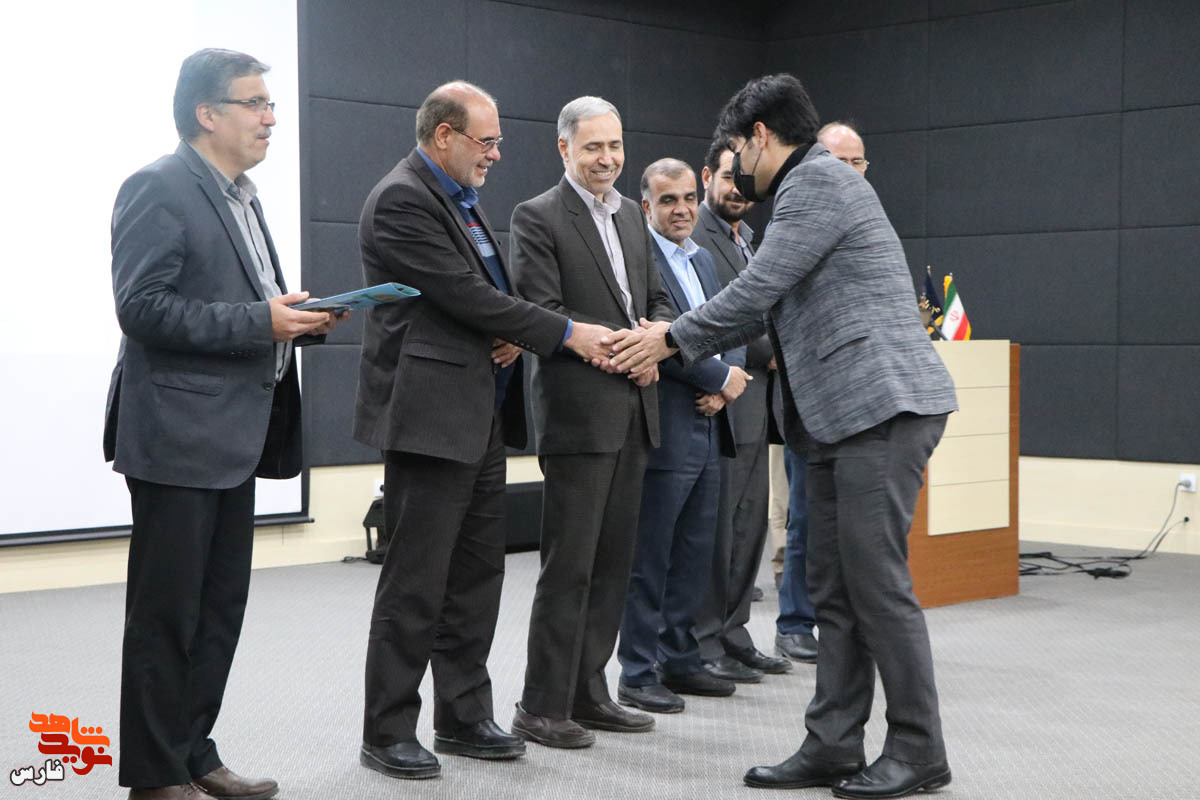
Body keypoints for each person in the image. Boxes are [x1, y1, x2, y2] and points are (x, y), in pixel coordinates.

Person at [604, 73, 958, 800]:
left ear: (760, 137)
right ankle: (833, 743)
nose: (734, 168)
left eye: (736, 151)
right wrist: (679, 340)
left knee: (875, 584)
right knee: (832, 587)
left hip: (879, 408)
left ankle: (919, 749)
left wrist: (668, 339)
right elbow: (765, 306)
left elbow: (756, 292)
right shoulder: (810, 190)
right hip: (836, 419)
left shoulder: (816, 182)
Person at [353, 81, 613, 779]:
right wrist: (562, 332)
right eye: (487, 140)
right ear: (444, 135)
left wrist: (510, 332)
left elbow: (487, 299)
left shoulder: (461, 198)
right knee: (416, 581)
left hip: (479, 413)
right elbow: (462, 294)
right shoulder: (403, 198)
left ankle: (464, 715)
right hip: (430, 417)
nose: (496, 154)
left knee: (475, 576)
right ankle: (387, 730)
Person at [106, 48, 340, 800]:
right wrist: (259, 321)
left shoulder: (244, 195)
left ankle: (193, 754)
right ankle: (153, 776)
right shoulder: (158, 186)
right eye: (255, 103)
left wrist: (296, 319)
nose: (271, 117)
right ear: (207, 113)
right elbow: (141, 308)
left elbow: (246, 301)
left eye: (271, 103)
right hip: (177, 437)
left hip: (235, 434)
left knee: (217, 613)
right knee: (166, 616)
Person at [508, 96, 675, 748]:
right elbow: (541, 313)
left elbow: (656, 298)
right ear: (564, 149)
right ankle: (541, 705)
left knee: (612, 566)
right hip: (579, 416)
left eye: (615, 145)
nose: (607, 159)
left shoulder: (633, 215)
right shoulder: (537, 216)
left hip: (635, 410)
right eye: (593, 147)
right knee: (569, 567)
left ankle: (588, 692)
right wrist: (631, 350)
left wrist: (659, 340)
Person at [616, 158, 748, 713]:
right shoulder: (639, 259)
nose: (682, 209)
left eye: (690, 197)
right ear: (646, 205)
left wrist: (727, 383)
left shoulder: (704, 259)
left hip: (709, 421)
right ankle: (637, 670)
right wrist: (717, 377)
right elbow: (653, 339)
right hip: (665, 424)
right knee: (652, 553)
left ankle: (680, 656)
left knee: (695, 550)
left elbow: (729, 326)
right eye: (668, 200)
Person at [689, 138, 793, 682]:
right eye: (728, 178)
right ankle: (704, 642)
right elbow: (714, 316)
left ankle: (733, 634)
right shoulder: (696, 236)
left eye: (745, 181)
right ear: (707, 176)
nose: (738, 190)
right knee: (717, 534)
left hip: (758, 405)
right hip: (722, 402)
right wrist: (772, 349)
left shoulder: (748, 238)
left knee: (749, 529)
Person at [772, 119, 873, 665]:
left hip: (861, 403)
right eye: (841, 162)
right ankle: (794, 623)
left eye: (859, 163)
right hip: (813, 401)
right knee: (807, 520)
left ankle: (843, 626)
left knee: (853, 528)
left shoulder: (866, 221)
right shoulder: (801, 221)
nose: (851, 172)